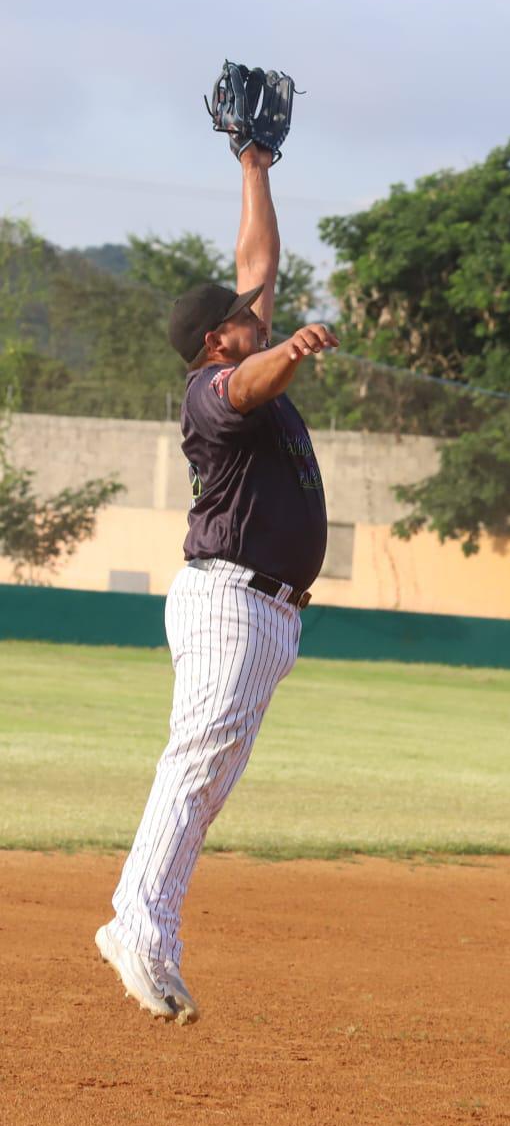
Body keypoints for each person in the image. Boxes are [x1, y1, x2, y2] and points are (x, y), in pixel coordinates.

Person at [95, 142, 339, 1022]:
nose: (256, 315)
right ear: (214, 341)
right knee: (195, 764)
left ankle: (150, 925)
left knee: (211, 772)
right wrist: (299, 348)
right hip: (230, 599)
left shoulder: (242, 348)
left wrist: (254, 167)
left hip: (267, 612)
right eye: (242, 318)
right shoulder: (210, 389)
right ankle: (138, 928)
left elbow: (258, 262)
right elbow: (250, 379)